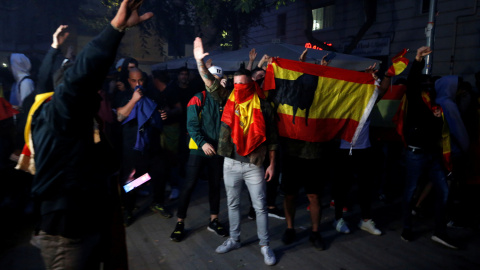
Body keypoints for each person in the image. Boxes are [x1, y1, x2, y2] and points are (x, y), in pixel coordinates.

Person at [28, 1, 154, 269]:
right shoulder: (59, 115)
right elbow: (81, 79)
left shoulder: (54, 109)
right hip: (67, 234)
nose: (97, 94)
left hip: (89, 218)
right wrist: (115, 29)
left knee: (145, 176)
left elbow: (43, 82)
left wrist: (54, 48)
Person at [194, 37, 278, 266]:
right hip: (231, 162)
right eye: (237, 84)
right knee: (231, 204)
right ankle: (234, 239)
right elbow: (209, 82)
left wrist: (271, 164)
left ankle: (265, 245)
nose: (239, 88)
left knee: (260, 206)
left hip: (254, 164)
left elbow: (272, 138)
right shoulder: (228, 97)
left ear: (251, 84)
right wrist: (199, 62)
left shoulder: (263, 104)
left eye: (244, 85)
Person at [399, 46, 458, 249]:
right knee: (410, 191)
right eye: (425, 85)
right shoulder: (415, 101)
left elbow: (437, 131)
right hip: (415, 154)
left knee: (443, 190)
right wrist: (417, 60)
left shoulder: (435, 107)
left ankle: (440, 231)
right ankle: (407, 227)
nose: (427, 87)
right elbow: (412, 83)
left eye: (429, 85)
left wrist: (437, 119)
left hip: (432, 154)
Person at [331, 63, 393, 236]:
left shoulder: (369, 97)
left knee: (366, 186)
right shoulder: (342, 97)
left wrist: (387, 76)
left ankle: (365, 220)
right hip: (343, 148)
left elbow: (383, 90)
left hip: (364, 148)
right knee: (342, 186)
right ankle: (338, 219)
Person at [169, 65, 227, 242]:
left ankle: (214, 220)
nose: (215, 83)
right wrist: (203, 144)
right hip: (198, 149)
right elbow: (191, 125)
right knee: (189, 185)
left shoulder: (224, 100)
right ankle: (180, 223)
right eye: (212, 79)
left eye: (218, 79)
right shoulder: (198, 98)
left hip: (217, 150)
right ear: (206, 80)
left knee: (215, 186)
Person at [114, 67, 170, 225]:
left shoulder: (152, 94)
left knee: (158, 173)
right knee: (131, 179)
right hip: (132, 146)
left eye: (141, 80)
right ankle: (128, 209)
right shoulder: (123, 96)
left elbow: (161, 111)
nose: (138, 83)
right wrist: (133, 100)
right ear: (128, 81)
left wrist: (164, 114)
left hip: (152, 144)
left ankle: (157, 202)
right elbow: (119, 116)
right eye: (134, 81)